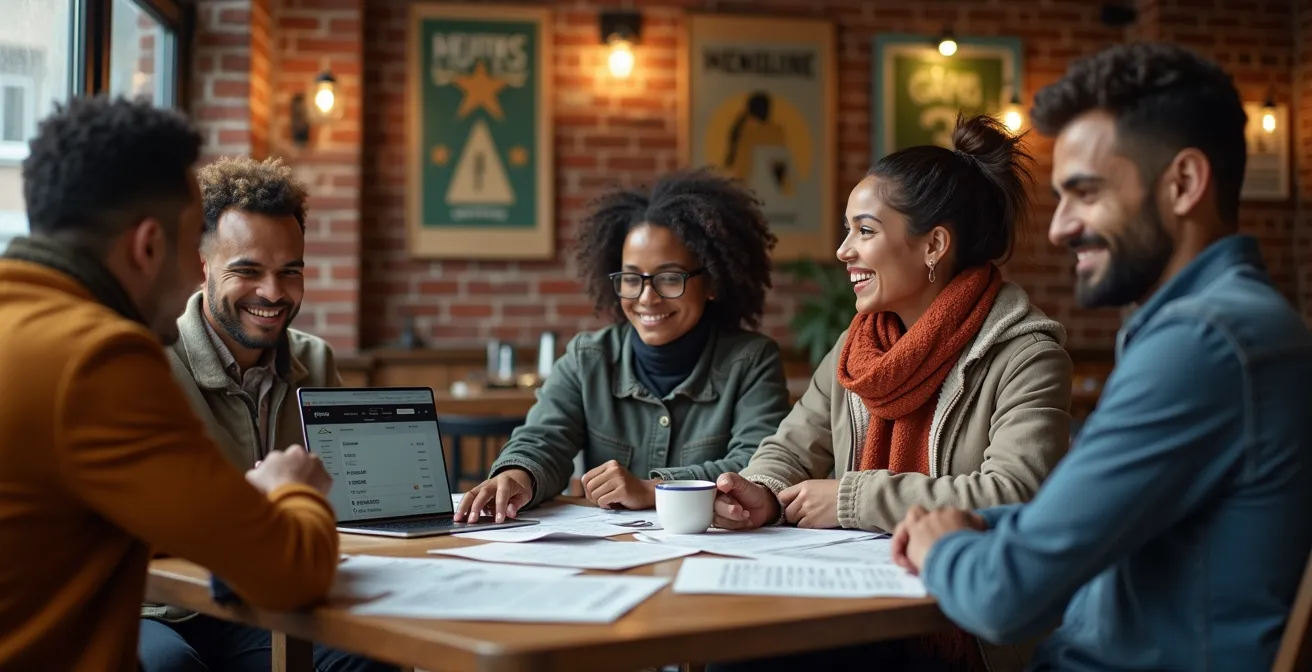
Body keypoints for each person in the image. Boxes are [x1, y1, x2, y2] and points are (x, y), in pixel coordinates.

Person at [893, 43, 1312, 671]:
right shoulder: (1250, 325)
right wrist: (987, 528)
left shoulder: (1200, 345)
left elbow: (1002, 597)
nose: (1060, 227)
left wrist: (939, 546)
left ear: (1183, 184)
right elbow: (1090, 521)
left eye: (1085, 193)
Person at [709, 114, 1074, 672]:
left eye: (865, 231)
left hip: (969, 628)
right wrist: (762, 490)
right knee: (735, 657)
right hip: (858, 608)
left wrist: (852, 500)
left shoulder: (1025, 355)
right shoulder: (857, 348)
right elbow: (791, 447)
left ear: (934, 245)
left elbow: (1014, 495)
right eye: (847, 231)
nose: (843, 251)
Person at [0, 96, 340, 671]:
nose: (192, 280)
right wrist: (289, 487)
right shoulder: (98, 359)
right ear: (149, 247)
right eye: (191, 249)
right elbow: (290, 571)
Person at [136, 156, 393, 672]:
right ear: (201, 266)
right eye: (247, 271)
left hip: (264, 602)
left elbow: (350, 504)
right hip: (160, 607)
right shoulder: (147, 361)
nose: (273, 293)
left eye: (289, 272)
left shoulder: (315, 360)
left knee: (372, 659)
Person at [455, 168, 791, 521]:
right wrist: (516, 475)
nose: (647, 298)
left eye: (669, 278)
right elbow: (543, 438)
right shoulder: (587, 359)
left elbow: (756, 465)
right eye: (632, 278)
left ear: (712, 283)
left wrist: (653, 488)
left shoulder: (751, 361)